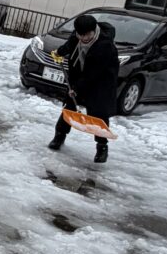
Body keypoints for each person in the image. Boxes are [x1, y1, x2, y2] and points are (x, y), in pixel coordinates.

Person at [48, 14, 119, 163]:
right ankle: (59, 136)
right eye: (81, 35)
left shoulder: (105, 46)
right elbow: (70, 45)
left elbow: (93, 73)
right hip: (80, 78)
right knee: (69, 108)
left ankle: (102, 147)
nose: (84, 38)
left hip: (101, 82)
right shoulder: (77, 37)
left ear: (94, 30)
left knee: (99, 115)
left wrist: (77, 87)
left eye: (88, 35)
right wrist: (59, 52)